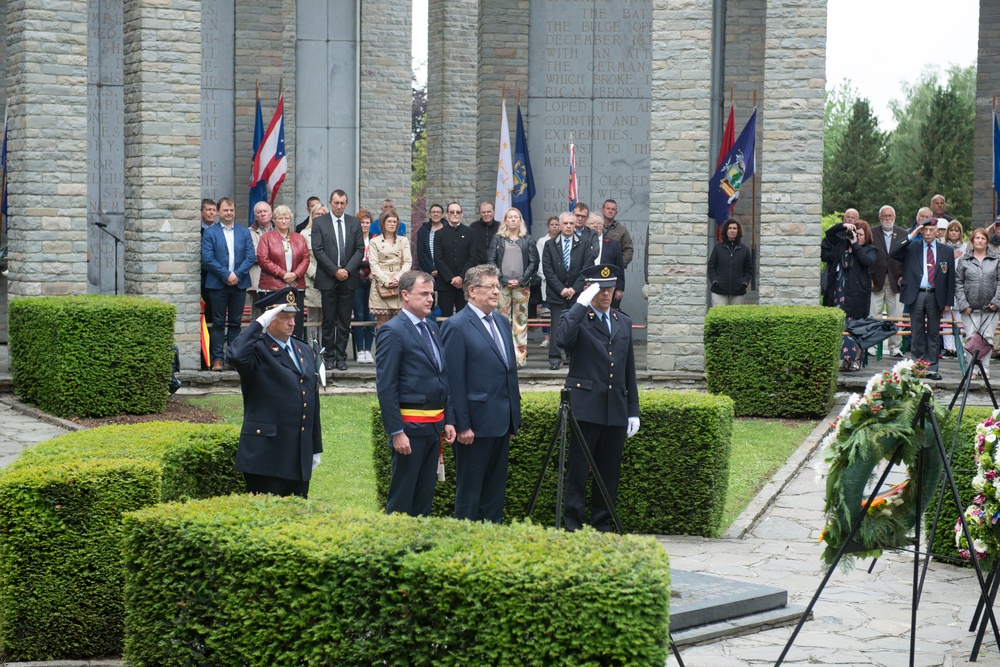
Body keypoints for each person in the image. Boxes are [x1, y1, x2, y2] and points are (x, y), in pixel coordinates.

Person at [554, 263, 639, 532]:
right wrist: (579, 305)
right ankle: (573, 525)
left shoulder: (622, 320)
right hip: (585, 407)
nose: (605, 294)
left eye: (610, 289)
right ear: (589, 289)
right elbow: (563, 341)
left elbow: (629, 369)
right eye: (599, 289)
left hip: (614, 407)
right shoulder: (576, 317)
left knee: (609, 472)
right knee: (578, 471)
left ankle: (602, 524)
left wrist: (632, 409)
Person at [441, 264, 521, 523]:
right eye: (491, 287)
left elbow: (509, 372)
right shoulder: (456, 325)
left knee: (495, 492)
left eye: (498, 286)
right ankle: (466, 544)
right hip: (474, 426)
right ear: (472, 290)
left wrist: (512, 417)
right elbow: (453, 380)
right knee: (471, 492)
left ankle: (492, 542)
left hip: (501, 421)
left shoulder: (500, 321)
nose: (497, 291)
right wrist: (462, 424)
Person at [226, 287, 323, 498]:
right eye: (284, 317)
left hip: (298, 455)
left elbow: (311, 399)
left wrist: (315, 446)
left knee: (296, 520)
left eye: (293, 317)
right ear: (269, 319)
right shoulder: (257, 349)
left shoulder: (302, 349)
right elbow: (234, 356)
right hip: (266, 455)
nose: (292, 322)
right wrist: (259, 324)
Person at [375, 270, 457, 517]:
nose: (430, 299)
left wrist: (449, 418)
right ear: (405, 296)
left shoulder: (432, 328)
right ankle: (395, 550)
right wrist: (396, 431)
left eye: (431, 294)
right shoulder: (392, 330)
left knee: (424, 496)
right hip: (410, 428)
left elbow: (443, 376)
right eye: (423, 294)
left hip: (434, 427)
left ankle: (418, 550)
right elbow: (386, 385)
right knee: (403, 496)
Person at [890, 215, 957, 380]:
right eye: (925, 229)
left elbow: (950, 278)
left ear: (937, 232)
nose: (928, 233)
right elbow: (893, 252)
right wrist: (912, 235)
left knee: (933, 333)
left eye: (931, 230)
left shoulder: (946, 250)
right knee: (917, 332)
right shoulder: (913, 246)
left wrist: (948, 302)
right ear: (921, 230)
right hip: (917, 293)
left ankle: (932, 368)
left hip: (935, 295)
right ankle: (918, 366)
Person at [311, 189, 365, 371]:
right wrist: (335, 271)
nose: (339, 206)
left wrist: (347, 270)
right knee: (328, 320)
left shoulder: (354, 222)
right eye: (336, 203)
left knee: (344, 320)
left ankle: (341, 357)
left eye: (342, 203)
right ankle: (329, 357)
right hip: (328, 278)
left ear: (346, 204)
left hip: (348, 280)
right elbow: (318, 250)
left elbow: (359, 249)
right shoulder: (319, 222)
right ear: (330, 202)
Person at [202, 197, 256, 371]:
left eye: (231, 210)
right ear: (218, 212)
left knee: (235, 323)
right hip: (218, 284)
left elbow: (250, 257)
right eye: (225, 210)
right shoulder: (211, 232)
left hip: (238, 284)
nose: (229, 213)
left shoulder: (243, 232)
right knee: (218, 322)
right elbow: (207, 258)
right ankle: (217, 359)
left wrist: (236, 275)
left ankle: (232, 358)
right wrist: (226, 275)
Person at [542, 211, 596, 370]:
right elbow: (547, 269)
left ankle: (573, 357)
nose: (568, 226)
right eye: (565, 223)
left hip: (576, 294)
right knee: (556, 326)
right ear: (559, 225)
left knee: (575, 326)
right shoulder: (550, 245)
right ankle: (554, 358)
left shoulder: (584, 243)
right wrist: (561, 289)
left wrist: (573, 288)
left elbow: (587, 268)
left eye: (571, 224)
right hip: (557, 294)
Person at [488, 207, 538, 367]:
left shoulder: (528, 239)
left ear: (520, 220)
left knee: (520, 321)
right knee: (502, 321)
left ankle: (519, 359)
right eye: (510, 217)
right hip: (502, 287)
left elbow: (533, 263)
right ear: (505, 220)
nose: (513, 219)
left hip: (521, 287)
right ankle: (501, 357)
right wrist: (503, 279)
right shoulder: (498, 239)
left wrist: (522, 280)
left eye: (516, 217)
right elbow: (491, 261)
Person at [256, 204, 310, 340]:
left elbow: (305, 258)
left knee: (294, 323)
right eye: (280, 218)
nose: (284, 221)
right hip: (272, 287)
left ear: (290, 220)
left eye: (286, 218)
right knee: (274, 322)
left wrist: (295, 274)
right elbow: (263, 259)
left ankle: (295, 352)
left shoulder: (299, 238)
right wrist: (283, 274)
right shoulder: (266, 238)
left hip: (295, 287)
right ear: (274, 220)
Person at [956, 228, 1000, 379]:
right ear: (972, 241)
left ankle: (985, 369)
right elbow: (958, 283)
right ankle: (973, 370)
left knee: (987, 338)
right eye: (977, 238)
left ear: (987, 241)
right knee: (971, 337)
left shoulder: (996, 259)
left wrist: (996, 302)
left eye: (983, 238)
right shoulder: (964, 260)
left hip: (991, 308)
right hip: (969, 308)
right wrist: (963, 304)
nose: (980, 241)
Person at [821, 217, 876, 320]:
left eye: (861, 235)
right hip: (838, 287)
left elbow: (867, 261)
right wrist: (843, 226)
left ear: (867, 236)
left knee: (853, 322)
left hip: (856, 292)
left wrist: (855, 244)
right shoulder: (843, 244)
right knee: (835, 318)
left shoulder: (870, 249)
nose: (858, 237)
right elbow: (829, 234)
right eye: (856, 234)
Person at [870, 205, 906, 356]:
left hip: (896, 280)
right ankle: (870, 345)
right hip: (875, 279)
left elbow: (908, 257)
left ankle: (895, 347)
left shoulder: (904, 234)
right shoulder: (871, 233)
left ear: (894, 217)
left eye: (890, 216)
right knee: (873, 314)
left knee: (896, 314)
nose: (887, 219)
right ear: (879, 218)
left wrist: (904, 275)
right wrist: (868, 277)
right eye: (884, 216)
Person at [369, 210, 412, 328]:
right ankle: (382, 347)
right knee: (382, 323)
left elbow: (408, 262)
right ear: (383, 223)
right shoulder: (374, 241)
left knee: (399, 323)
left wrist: (398, 279)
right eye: (389, 221)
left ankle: (397, 347)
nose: (392, 224)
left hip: (399, 282)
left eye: (395, 221)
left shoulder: (403, 241)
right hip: (381, 284)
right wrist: (386, 280)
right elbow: (373, 264)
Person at [436, 201, 476, 317]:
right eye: (451, 212)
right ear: (447, 215)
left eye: (458, 212)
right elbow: (438, 259)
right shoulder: (439, 234)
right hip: (445, 283)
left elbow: (472, 257)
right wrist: (451, 278)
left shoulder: (470, 232)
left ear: (462, 215)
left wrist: (461, 277)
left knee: (464, 318)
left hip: (464, 284)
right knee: (445, 318)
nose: (455, 214)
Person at [707, 218, 753, 307]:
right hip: (719, 292)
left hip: (738, 292)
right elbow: (711, 266)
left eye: (734, 228)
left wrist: (744, 282)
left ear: (738, 231)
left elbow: (749, 269)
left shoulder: (744, 250)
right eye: (730, 228)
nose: (732, 231)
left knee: (735, 319)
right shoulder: (718, 248)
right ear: (726, 230)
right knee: (719, 317)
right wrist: (715, 280)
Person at [300, 199, 328, 343]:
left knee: (326, 317)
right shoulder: (304, 234)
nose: (320, 216)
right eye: (317, 214)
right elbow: (304, 258)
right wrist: (315, 274)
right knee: (312, 317)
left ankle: (323, 348)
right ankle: (312, 347)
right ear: (312, 215)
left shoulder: (331, 233)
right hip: (313, 280)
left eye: (323, 214)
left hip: (329, 279)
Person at [586, 212, 626, 307]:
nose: (595, 226)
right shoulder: (581, 243)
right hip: (587, 286)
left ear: (603, 225)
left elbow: (619, 268)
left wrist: (620, 288)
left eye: (598, 223)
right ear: (586, 226)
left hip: (606, 287)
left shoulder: (613, 244)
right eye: (592, 223)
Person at [352, 209, 376, 363]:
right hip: (357, 280)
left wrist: (373, 270)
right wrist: (366, 264)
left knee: (371, 315)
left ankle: (368, 349)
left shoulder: (375, 239)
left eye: (367, 223)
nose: (365, 225)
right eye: (362, 223)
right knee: (359, 315)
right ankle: (360, 349)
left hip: (372, 281)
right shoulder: (353, 239)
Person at [533, 215, 560, 349]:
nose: (554, 227)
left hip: (560, 282)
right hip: (546, 280)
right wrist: (546, 276)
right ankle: (546, 337)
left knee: (558, 312)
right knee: (546, 311)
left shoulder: (562, 240)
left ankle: (558, 338)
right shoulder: (542, 241)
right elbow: (539, 261)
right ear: (548, 226)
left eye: (556, 224)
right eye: (552, 225)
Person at [941, 220, 966, 357]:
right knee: (947, 316)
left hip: (961, 285)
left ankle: (958, 346)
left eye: (957, 230)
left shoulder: (966, 247)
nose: (954, 233)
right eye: (951, 230)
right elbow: (941, 266)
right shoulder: (942, 246)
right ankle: (948, 347)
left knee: (959, 317)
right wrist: (951, 256)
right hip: (946, 285)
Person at [199, 198, 217, 369]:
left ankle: (211, 357)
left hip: (217, 282)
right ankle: (201, 357)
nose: (212, 213)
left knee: (213, 319)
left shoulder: (220, 231)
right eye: (208, 210)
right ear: (201, 212)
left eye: (214, 210)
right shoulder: (196, 232)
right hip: (201, 282)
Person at [248, 201, 274, 308]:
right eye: (259, 212)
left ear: (271, 213)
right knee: (257, 316)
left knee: (277, 316)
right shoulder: (249, 232)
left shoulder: (280, 229)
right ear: (255, 216)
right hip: (257, 279)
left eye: (265, 211)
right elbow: (254, 254)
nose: (262, 214)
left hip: (278, 279)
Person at [601, 199, 634, 268]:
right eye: (608, 209)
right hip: (595, 268)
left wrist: (620, 264)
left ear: (616, 213)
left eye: (613, 209)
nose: (610, 211)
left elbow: (628, 249)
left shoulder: (622, 230)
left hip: (613, 270)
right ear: (602, 210)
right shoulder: (595, 227)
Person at [416, 202, 444, 276]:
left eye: (438, 212)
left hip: (445, 273)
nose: (436, 214)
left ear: (442, 215)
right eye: (433, 212)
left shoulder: (448, 230)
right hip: (427, 272)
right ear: (429, 214)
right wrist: (432, 269)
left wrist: (441, 270)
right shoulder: (423, 231)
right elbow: (421, 253)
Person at [470, 201, 500, 265]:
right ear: (480, 214)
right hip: (478, 267)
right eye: (483, 212)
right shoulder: (473, 227)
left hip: (496, 267)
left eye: (489, 212)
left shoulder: (501, 227)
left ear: (494, 212)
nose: (486, 214)